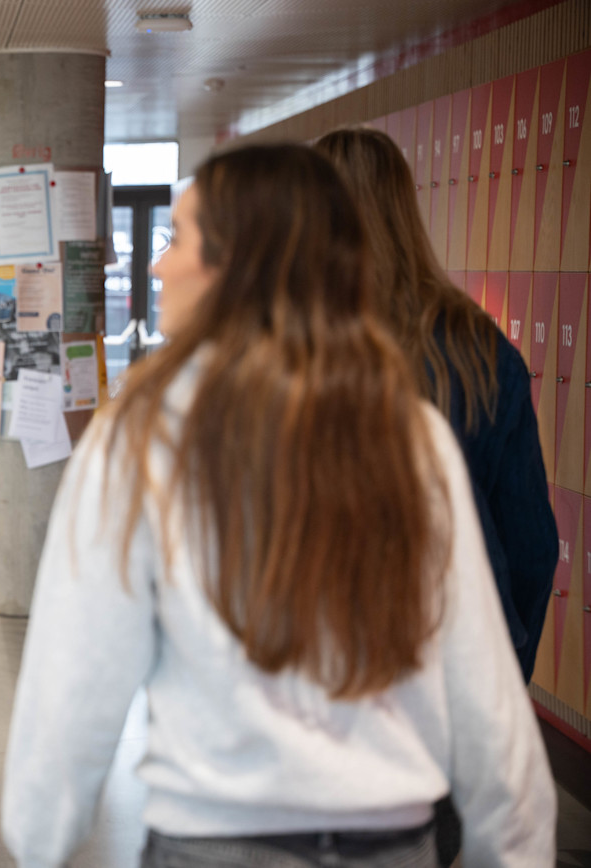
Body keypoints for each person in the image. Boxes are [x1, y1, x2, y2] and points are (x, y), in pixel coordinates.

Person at [1, 144, 554, 868]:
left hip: (212, 843)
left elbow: (76, 677)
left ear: (240, 264)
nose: (159, 266)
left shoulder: (143, 437)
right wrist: (514, 849)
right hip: (392, 842)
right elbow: (484, 686)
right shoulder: (411, 438)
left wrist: (37, 840)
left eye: (179, 239)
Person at [314, 125, 559, 868]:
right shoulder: (483, 348)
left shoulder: (290, 346)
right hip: (448, 687)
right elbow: (531, 548)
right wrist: (499, 679)